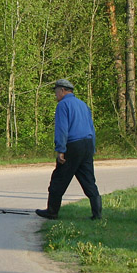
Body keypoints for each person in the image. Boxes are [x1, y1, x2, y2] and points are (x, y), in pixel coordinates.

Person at [35, 78, 102, 220]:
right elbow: (91, 127)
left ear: (63, 90)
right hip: (87, 144)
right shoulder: (83, 105)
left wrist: (60, 149)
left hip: (73, 145)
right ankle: (97, 214)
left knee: (59, 179)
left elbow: (62, 129)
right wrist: (93, 148)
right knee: (88, 180)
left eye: (56, 92)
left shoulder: (63, 105)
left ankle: (52, 212)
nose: (55, 95)